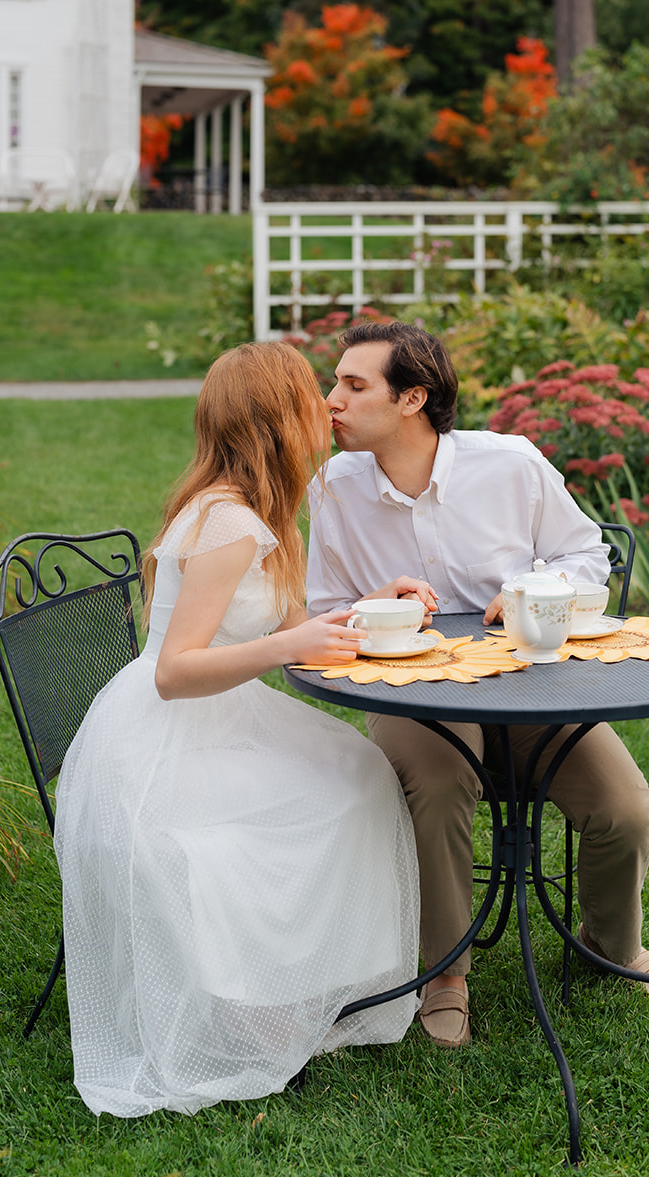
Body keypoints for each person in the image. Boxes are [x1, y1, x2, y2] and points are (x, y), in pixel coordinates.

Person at [54, 342, 420, 1117]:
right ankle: (257, 1001)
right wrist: (288, 647)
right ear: (274, 422)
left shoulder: (262, 513)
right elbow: (174, 670)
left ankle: (299, 981)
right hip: (165, 734)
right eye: (308, 399)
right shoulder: (225, 523)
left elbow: (294, 623)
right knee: (273, 825)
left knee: (359, 776)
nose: (325, 408)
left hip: (223, 717)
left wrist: (368, 606)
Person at [306, 320, 649, 1051]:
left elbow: (585, 554)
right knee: (441, 782)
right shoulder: (334, 486)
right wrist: (373, 607)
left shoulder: (510, 464)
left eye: (353, 385)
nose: (332, 399)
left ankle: (613, 945)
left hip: (527, 682)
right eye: (337, 382)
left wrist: (529, 586)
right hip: (409, 691)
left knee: (623, 808)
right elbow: (321, 607)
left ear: (412, 399)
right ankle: (444, 975)